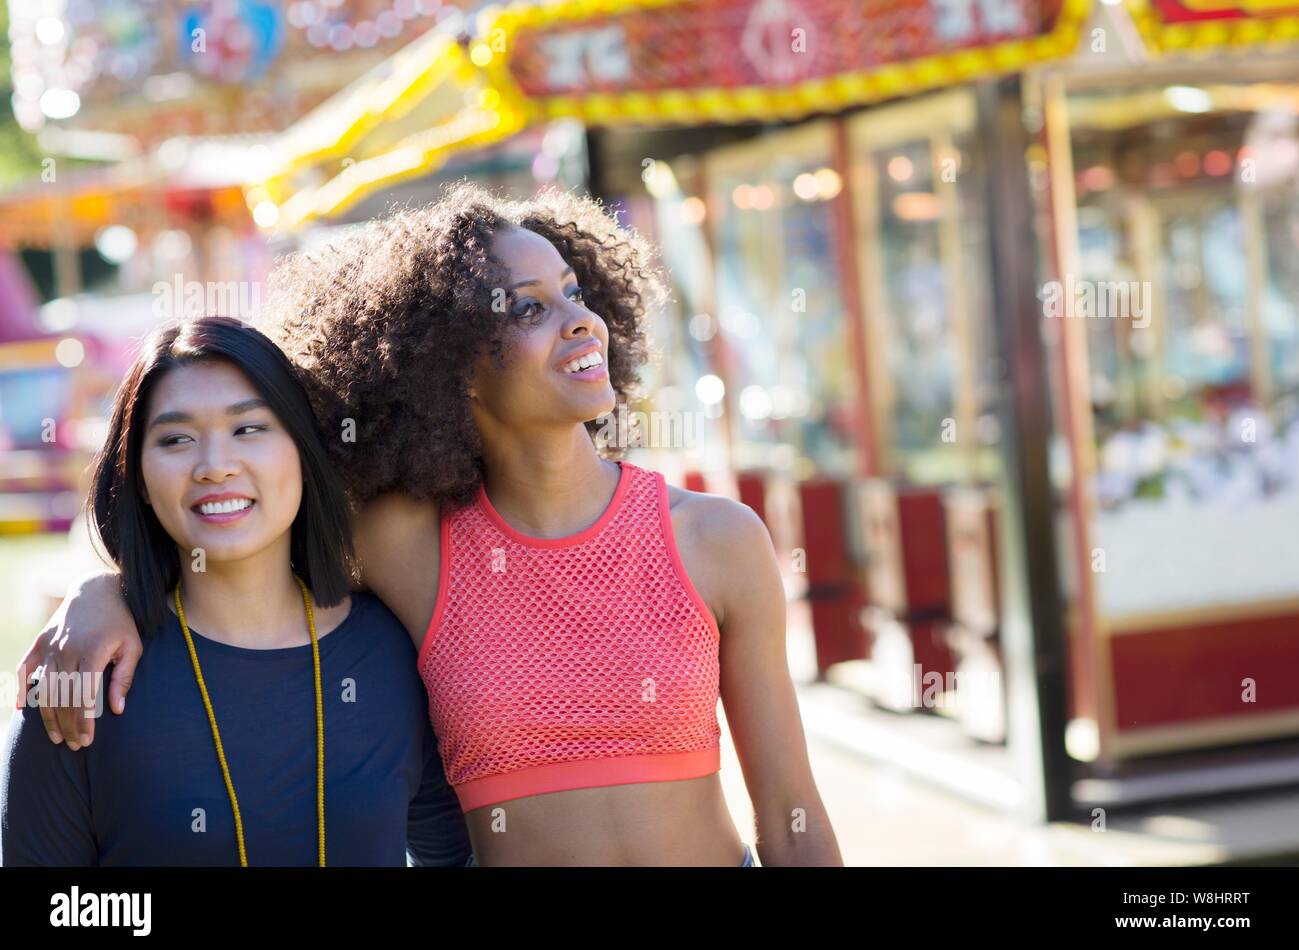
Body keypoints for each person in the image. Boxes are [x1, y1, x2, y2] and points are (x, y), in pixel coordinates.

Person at [20, 183, 842, 866]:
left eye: (574, 294)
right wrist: (101, 595)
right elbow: (233, 525)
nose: (578, 321)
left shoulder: (716, 540)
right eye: (526, 310)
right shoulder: (407, 545)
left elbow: (791, 810)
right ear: (447, 363)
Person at [2, 318, 469, 866]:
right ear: (141, 483)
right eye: (176, 439)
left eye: (248, 429)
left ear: (302, 449)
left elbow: (454, 857)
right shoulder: (80, 676)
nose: (216, 467)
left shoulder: (393, 650)